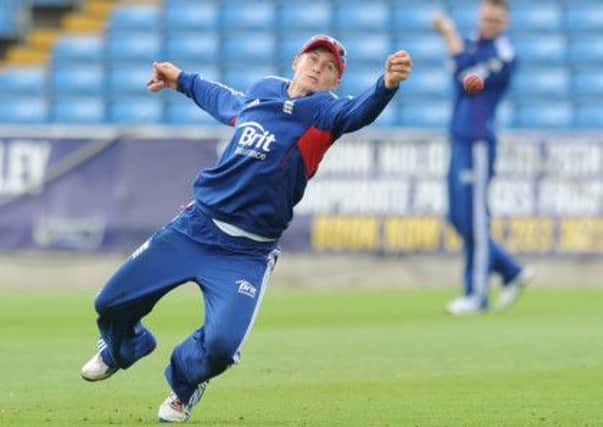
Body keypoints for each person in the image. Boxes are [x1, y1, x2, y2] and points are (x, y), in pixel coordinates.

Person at [80, 34, 412, 423]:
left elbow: (359, 113)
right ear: (295, 62)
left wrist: (386, 85)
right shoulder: (262, 92)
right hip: (195, 227)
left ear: (334, 83)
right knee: (109, 303)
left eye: (329, 68)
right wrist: (180, 79)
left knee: (220, 347)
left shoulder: (326, 113)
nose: (318, 68)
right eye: (313, 59)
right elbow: (225, 101)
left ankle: (186, 383)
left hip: (245, 253)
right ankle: (126, 346)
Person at [432, 0, 532, 315]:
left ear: (505, 22)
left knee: (474, 217)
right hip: (460, 137)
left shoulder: (503, 53)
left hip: (478, 140)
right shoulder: (474, 44)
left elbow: (466, 76)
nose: (489, 23)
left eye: (496, 19)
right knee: (458, 217)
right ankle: (511, 270)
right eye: (486, 17)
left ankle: (476, 294)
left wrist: (448, 33)